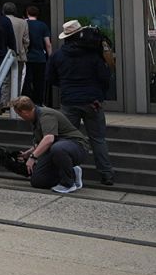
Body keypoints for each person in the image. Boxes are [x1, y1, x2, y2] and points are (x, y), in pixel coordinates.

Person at [49, 20, 116, 186]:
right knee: (98, 139)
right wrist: (99, 95)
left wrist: (66, 86)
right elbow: (104, 77)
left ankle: (67, 173)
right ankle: (106, 174)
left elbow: (51, 78)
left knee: (67, 139)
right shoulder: (93, 54)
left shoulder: (58, 55)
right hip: (92, 102)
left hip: (69, 101)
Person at [13, 95, 89, 193]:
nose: (21, 117)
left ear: (24, 112)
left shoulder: (46, 115)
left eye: (19, 114)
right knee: (38, 181)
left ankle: (68, 184)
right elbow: (42, 142)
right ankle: (73, 173)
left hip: (76, 146)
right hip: (56, 149)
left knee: (58, 148)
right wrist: (28, 153)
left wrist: (32, 157)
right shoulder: (34, 119)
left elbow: (49, 138)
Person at [2, 2, 31, 113]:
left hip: (4, 56)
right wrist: (23, 51)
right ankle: (15, 104)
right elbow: (26, 40)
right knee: (17, 80)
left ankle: (4, 103)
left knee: (4, 80)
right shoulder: (22, 22)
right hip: (19, 55)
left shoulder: (1, 21)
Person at [24, 5, 53, 105]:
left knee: (26, 82)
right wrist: (50, 58)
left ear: (27, 13)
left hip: (26, 58)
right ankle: (39, 102)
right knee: (39, 82)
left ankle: (26, 103)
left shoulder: (24, 24)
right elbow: (48, 44)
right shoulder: (42, 25)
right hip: (40, 58)